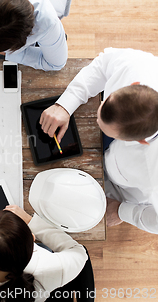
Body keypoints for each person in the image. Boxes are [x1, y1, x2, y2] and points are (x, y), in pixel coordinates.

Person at [40, 48, 158, 234]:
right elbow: (103, 65)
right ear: (134, 84)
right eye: (104, 103)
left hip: (121, 190)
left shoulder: (154, 169)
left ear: (141, 141)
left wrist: (123, 212)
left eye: (108, 130)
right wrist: (65, 104)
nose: (96, 118)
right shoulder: (139, 66)